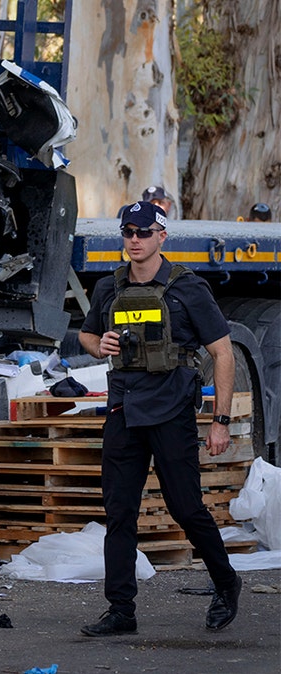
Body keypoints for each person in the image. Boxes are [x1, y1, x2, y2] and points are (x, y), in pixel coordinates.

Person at [78, 201, 242, 637]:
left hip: (171, 410)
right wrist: (99, 346)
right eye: (128, 232)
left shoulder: (189, 288)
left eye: (144, 232)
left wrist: (220, 420)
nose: (135, 239)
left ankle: (226, 582)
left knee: (186, 508)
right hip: (123, 410)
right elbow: (87, 333)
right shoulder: (108, 287)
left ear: (161, 236)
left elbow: (222, 353)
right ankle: (120, 610)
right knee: (119, 513)